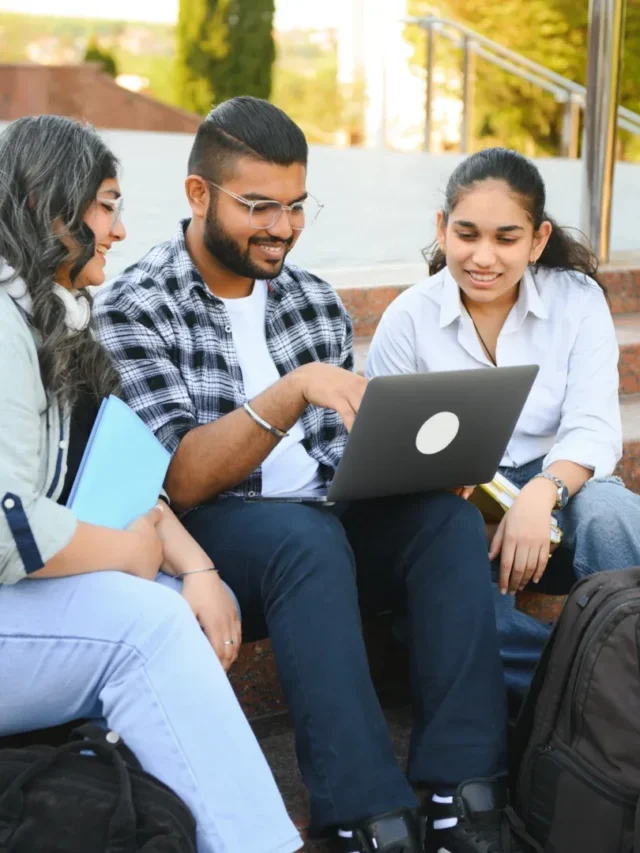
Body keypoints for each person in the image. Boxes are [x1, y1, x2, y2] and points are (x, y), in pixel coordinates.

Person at [93, 97, 536, 853]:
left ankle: (465, 790)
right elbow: (182, 478)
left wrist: (415, 473)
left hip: (321, 520)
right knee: (305, 538)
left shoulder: (311, 297)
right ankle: (365, 813)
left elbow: (340, 459)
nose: (282, 227)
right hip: (213, 531)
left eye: (296, 206)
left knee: (446, 522)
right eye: (259, 206)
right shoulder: (136, 304)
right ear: (199, 194)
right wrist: (290, 388)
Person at [0, 114, 303, 853]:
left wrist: (189, 562)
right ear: (51, 207)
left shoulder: (47, 312)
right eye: (107, 205)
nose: (121, 229)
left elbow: (114, 468)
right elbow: (10, 530)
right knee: (149, 624)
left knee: (169, 606)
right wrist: (131, 556)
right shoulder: (5, 323)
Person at [366, 146, 640, 698]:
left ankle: (605, 669)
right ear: (442, 229)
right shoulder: (408, 318)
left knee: (613, 512)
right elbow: (388, 454)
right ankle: (595, 683)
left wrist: (541, 495)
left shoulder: (576, 300)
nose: (482, 257)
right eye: (467, 235)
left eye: (506, 238)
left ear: (538, 240)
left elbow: (593, 427)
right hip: (459, 504)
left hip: (559, 496)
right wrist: (467, 507)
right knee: (459, 622)